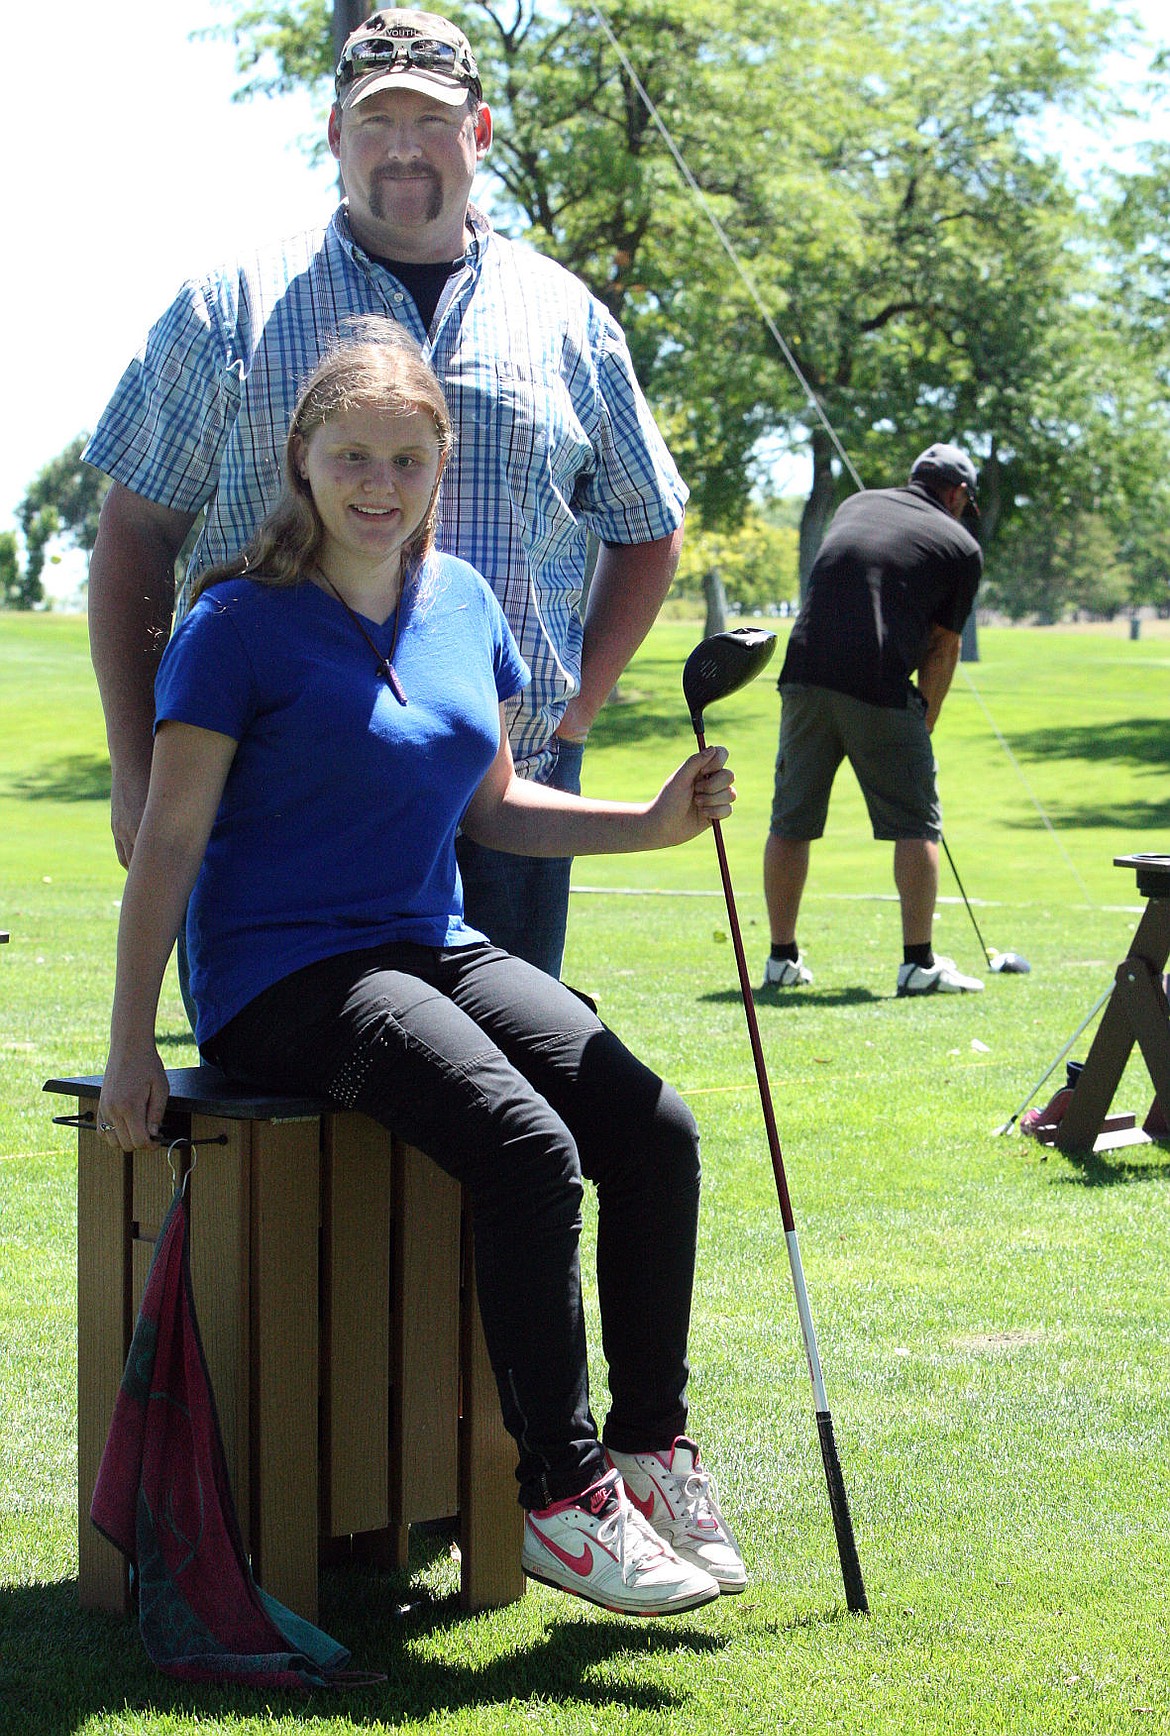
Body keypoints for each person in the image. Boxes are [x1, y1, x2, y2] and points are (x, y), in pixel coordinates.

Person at [95, 324, 744, 1619]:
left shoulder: (463, 606)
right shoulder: (234, 626)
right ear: (304, 460)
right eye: (352, 457)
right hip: (281, 979)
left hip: (426, 941)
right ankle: (561, 1504)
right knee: (524, 1147)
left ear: (438, 465)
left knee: (649, 1126)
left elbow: (496, 809)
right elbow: (166, 844)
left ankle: (647, 1449)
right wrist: (128, 1045)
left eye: (403, 457)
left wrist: (653, 824)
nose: (377, 483)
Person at [85, 7, 686, 982]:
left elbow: (647, 527)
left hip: (504, 796)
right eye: (374, 122)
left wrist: (571, 716)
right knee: (292, 1122)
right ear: (333, 136)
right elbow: (136, 530)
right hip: (273, 804)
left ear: (479, 133)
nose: (401, 149)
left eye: (431, 121)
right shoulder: (228, 305)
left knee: (500, 1106)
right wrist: (134, 762)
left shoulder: (564, 316)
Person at [762, 442, 985, 998]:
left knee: (791, 821)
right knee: (915, 823)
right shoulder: (961, 545)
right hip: (880, 684)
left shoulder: (855, 504)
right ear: (956, 494)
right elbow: (943, 648)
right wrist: (923, 725)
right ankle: (918, 964)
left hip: (804, 673)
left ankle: (781, 960)